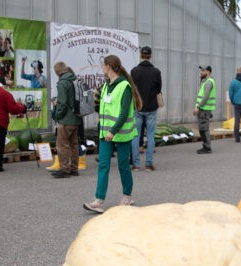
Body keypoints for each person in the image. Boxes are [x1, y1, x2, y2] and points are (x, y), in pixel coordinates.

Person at [83, 55, 142, 213]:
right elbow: (103, 109)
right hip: (105, 133)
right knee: (103, 165)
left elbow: (123, 114)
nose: (102, 68)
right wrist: (96, 98)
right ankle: (98, 200)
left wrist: (113, 131)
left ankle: (128, 196)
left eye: (103, 65)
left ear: (108, 66)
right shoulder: (106, 86)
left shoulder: (125, 87)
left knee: (123, 165)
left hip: (120, 133)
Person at [130, 45, 161, 170]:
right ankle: (149, 163)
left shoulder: (134, 71)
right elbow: (159, 89)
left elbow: (131, 89)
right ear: (151, 56)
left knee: (135, 136)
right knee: (150, 135)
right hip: (151, 107)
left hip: (138, 108)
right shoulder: (156, 72)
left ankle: (136, 165)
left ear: (141, 56)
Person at [50, 62, 80, 178]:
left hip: (66, 119)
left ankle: (64, 169)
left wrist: (58, 115)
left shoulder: (63, 83)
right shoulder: (75, 80)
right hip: (76, 118)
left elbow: (62, 103)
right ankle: (74, 168)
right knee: (73, 145)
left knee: (62, 145)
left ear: (57, 72)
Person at [194, 65, 217, 154]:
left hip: (204, 109)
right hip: (203, 109)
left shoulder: (208, 82)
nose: (201, 72)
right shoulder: (205, 81)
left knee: (204, 129)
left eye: (203, 71)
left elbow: (205, 97)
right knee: (202, 128)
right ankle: (205, 146)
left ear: (208, 72)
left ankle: (207, 147)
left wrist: (198, 107)